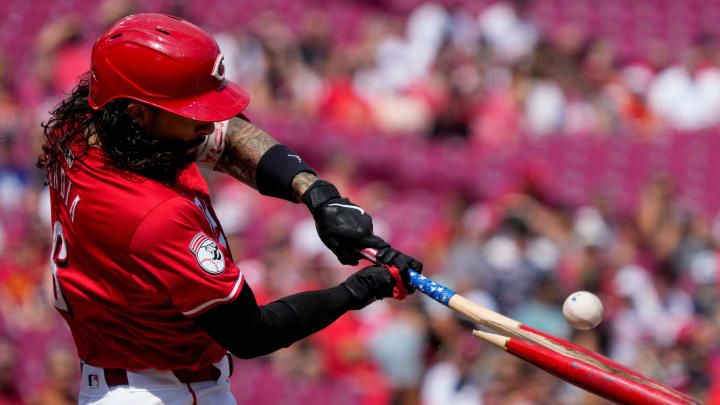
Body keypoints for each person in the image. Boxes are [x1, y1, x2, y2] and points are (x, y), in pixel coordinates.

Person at [38, 13, 423, 405]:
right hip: (164, 391)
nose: (207, 123)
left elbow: (227, 135)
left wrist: (318, 195)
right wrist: (360, 290)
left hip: (125, 377)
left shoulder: (84, 130)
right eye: (191, 112)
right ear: (138, 114)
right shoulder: (152, 216)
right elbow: (252, 334)